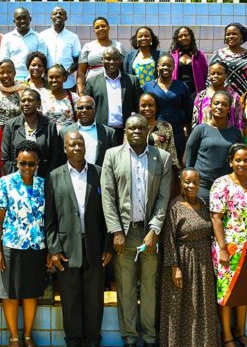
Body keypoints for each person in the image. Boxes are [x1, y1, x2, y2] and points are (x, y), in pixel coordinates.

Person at [101, 114, 172, 347]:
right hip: (124, 231)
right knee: (126, 286)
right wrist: (115, 231)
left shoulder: (162, 157)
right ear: (125, 132)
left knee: (150, 286)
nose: (136, 132)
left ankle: (150, 337)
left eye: (141, 128)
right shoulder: (112, 156)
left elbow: (163, 198)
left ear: (148, 131)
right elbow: (108, 197)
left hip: (150, 231)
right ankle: (130, 337)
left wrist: (155, 229)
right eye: (131, 128)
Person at [45, 132, 112, 347]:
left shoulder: (99, 173)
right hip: (66, 248)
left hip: (95, 246)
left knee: (94, 299)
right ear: (65, 148)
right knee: (70, 298)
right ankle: (73, 340)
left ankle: (92, 340)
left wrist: (108, 246)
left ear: (85, 147)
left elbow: (108, 213)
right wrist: (54, 249)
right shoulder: (54, 176)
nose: (76, 147)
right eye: (71, 144)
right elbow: (50, 217)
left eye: (80, 143)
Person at [0, 140, 47, 347]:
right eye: (23, 163)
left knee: (31, 294)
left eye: (31, 164)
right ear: (16, 161)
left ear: (37, 163)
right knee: (10, 294)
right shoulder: (5, 183)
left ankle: (28, 335)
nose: (27, 168)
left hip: (36, 247)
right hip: (10, 247)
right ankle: (14, 336)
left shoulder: (43, 184)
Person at [209, 144, 247, 347]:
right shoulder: (221, 183)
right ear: (230, 161)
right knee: (226, 292)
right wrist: (222, 248)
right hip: (228, 249)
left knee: (245, 292)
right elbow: (216, 218)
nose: (242, 163)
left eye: (246, 160)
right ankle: (227, 336)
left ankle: (240, 331)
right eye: (237, 160)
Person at [160, 168, 218, 347]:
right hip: (182, 262)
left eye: (195, 182)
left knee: (203, 305)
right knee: (180, 306)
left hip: (203, 264)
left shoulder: (203, 203)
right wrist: (174, 267)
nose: (191, 185)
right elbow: (169, 239)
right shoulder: (175, 206)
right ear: (180, 183)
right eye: (187, 182)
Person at [185, 92, 244, 201]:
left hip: (226, 187)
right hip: (202, 187)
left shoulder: (235, 133)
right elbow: (189, 154)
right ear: (210, 106)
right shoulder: (201, 129)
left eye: (224, 104)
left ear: (229, 109)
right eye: (216, 103)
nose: (219, 107)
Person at [1, 89, 65, 178]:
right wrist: (15, 178)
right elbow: (5, 158)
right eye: (23, 100)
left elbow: (55, 156)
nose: (26, 103)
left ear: (38, 103)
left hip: (43, 179)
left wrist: (46, 179)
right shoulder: (11, 125)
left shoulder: (49, 126)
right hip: (17, 179)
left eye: (30, 100)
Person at [84, 47, 142, 138]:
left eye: (115, 59)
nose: (112, 62)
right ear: (102, 60)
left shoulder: (132, 81)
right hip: (102, 132)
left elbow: (138, 106)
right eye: (108, 59)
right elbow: (87, 108)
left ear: (120, 60)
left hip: (126, 132)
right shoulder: (92, 82)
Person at [143, 55, 193, 158]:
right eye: (163, 65)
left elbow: (188, 111)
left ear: (173, 67)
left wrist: (188, 134)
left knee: (176, 166)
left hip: (177, 133)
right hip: (155, 133)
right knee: (155, 163)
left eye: (169, 65)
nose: (166, 68)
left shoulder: (182, 86)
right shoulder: (148, 87)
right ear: (157, 67)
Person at [60, 95, 117, 166]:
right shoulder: (65, 133)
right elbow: (61, 160)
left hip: (101, 175)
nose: (84, 110)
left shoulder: (109, 133)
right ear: (76, 110)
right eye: (80, 108)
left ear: (95, 109)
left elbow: (114, 160)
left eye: (88, 107)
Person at [76, 17, 124, 94]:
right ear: (94, 30)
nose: (100, 29)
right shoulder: (87, 47)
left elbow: (123, 69)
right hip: (92, 87)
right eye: (97, 27)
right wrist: (81, 92)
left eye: (103, 26)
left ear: (108, 27)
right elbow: (81, 72)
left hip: (115, 85)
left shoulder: (118, 46)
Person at [0, 7, 48, 82]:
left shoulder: (39, 38)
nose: (22, 21)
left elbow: (42, 62)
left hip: (33, 80)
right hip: (11, 80)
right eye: (18, 18)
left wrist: (29, 79)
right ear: (14, 21)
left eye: (25, 18)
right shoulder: (7, 38)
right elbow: (4, 61)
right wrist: (12, 78)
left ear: (30, 19)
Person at [192, 61, 243, 131]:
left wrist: (239, 137)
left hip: (228, 137)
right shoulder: (201, 96)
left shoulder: (234, 96)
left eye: (219, 73)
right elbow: (195, 120)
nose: (215, 76)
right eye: (212, 73)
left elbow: (239, 120)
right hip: (205, 136)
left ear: (226, 75)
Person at [209, 22, 247, 98]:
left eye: (234, 34)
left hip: (245, 97)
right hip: (223, 99)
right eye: (228, 34)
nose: (230, 36)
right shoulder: (218, 55)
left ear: (241, 36)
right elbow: (209, 77)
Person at [40, 7, 80, 91]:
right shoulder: (42, 36)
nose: (58, 15)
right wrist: (46, 71)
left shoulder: (73, 37)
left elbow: (77, 60)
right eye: (55, 14)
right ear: (51, 17)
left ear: (66, 18)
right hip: (48, 82)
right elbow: (40, 58)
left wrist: (67, 72)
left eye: (61, 14)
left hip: (68, 83)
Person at [138, 92, 180, 170]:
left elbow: (172, 153)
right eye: (143, 106)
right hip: (138, 170)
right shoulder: (133, 127)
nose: (147, 108)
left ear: (156, 107)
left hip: (160, 171)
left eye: (150, 105)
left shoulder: (166, 127)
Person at [0, 60, 27, 127]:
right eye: (1, 72)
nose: (5, 75)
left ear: (15, 73)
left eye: (9, 72)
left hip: (14, 133)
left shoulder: (23, 92)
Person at [169, 26, 207, 97]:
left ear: (191, 36)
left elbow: (205, 74)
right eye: (180, 36)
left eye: (186, 35)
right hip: (177, 92)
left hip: (196, 93)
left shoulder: (199, 55)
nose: (183, 38)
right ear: (177, 39)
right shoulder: (172, 55)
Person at [40, 64, 79, 130]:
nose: (54, 80)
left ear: (64, 78)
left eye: (57, 77)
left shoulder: (74, 97)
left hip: (69, 137)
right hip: (49, 136)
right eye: (51, 77)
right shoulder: (42, 97)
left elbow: (79, 121)